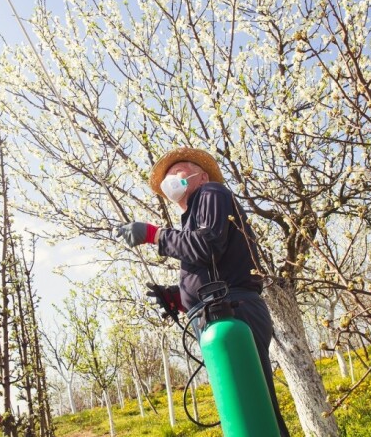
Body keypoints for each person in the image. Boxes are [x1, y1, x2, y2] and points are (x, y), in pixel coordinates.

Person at [116, 147, 291, 437]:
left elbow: (206, 245)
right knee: (243, 409)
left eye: (178, 170)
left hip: (235, 310)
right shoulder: (192, 216)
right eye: (167, 175)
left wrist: (154, 235)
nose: (171, 177)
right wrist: (179, 296)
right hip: (217, 313)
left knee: (253, 407)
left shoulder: (212, 193)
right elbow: (211, 264)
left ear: (201, 175)